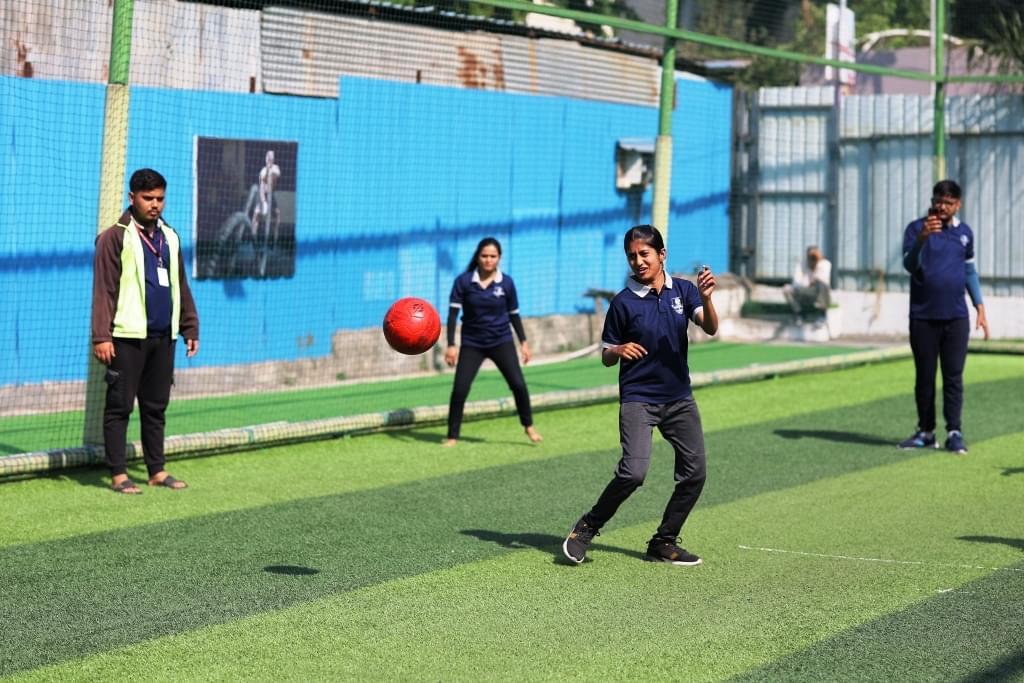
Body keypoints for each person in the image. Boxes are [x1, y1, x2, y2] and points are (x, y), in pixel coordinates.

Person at [563, 225, 718, 566]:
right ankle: (587, 526)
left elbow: (710, 326)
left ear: (662, 255)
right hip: (638, 400)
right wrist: (617, 349)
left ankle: (664, 541)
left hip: (679, 399)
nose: (638, 261)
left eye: (644, 254)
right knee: (633, 472)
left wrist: (706, 298)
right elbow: (606, 356)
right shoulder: (623, 302)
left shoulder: (684, 291)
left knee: (695, 473)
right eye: (632, 256)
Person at [91, 168, 200, 494]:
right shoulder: (114, 237)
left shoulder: (170, 236)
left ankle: (157, 470)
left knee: (156, 407)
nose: (155, 204)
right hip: (127, 338)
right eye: (148, 198)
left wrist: (189, 326)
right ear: (132, 197)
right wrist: (102, 336)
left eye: (160, 199)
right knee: (120, 407)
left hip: (163, 337)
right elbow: (104, 290)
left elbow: (180, 284)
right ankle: (118, 474)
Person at [898, 179, 989, 455]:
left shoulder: (965, 233)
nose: (942, 206)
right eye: (938, 201)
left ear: (957, 204)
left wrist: (979, 306)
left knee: (953, 377)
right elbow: (910, 265)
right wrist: (922, 239)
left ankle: (954, 433)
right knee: (925, 376)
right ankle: (926, 432)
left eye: (948, 202)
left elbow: (969, 272)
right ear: (932, 201)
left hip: (956, 317)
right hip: (923, 316)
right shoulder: (916, 228)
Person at [444, 237, 542, 447]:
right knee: (460, 389)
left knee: (518, 384)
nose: (488, 260)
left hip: (501, 341)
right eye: (484, 256)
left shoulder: (506, 282)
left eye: (493, 256)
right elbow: (452, 316)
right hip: (472, 343)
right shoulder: (463, 281)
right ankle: (452, 435)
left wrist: (523, 343)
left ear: (499, 258)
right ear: (477, 257)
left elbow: (514, 314)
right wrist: (451, 345)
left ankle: (529, 426)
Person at [782, 245, 832, 322]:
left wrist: (816, 264)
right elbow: (796, 282)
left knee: (822, 284)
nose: (812, 258)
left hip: (817, 292)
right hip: (804, 290)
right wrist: (807, 280)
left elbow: (821, 279)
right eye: (810, 256)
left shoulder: (825, 263)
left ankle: (822, 314)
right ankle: (799, 313)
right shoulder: (801, 264)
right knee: (786, 289)